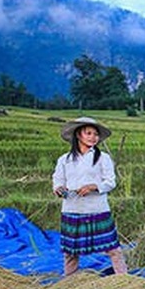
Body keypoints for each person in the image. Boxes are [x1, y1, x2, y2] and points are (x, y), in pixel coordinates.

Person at [52, 116, 128, 276]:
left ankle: (124, 279)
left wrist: (94, 186)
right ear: (78, 135)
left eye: (96, 134)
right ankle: (70, 282)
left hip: (97, 209)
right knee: (70, 252)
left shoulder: (103, 158)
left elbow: (111, 182)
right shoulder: (64, 160)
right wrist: (59, 189)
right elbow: (58, 179)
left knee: (113, 249)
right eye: (88, 133)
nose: (93, 137)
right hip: (72, 209)